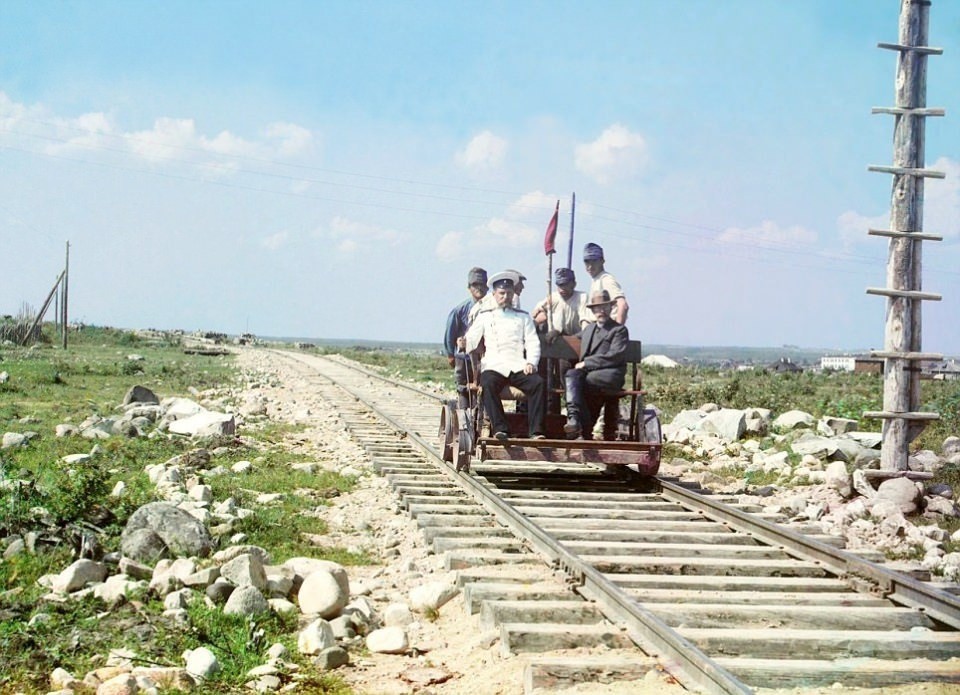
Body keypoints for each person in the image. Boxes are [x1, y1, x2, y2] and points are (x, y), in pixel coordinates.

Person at [459, 272, 545, 440]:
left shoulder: (523, 317)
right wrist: (463, 342)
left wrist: (531, 362)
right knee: (488, 384)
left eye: (508, 293)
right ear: (494, 295)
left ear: (513, 294)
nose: (505, 297)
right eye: (501, 293)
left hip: (518, 365)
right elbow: (471, 339)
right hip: (494, 365)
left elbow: (533, 342)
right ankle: (501, 429)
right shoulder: (486, 316)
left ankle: (536, 431)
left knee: (538, 384)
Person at [564, 290, 629, 440]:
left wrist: (587, 363)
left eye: (604, 307)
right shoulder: (589, 329)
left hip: (610, 374)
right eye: (597, 308)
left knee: (581, 382)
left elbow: (614, 356)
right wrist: (555, 334)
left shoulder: (619, 330)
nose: (601, 311)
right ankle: (574, 420)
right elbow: (571, 340)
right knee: (572, 375)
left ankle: (581, 426)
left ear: (611, 308)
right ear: (593, 311)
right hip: (589, 374)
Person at [443, 267, 488, 407]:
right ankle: (463, 423)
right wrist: (450, 354)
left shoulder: (493, 308)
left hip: (486, 359)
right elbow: (450, 334)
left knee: (484, 393)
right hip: (465, 359)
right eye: (475, 285)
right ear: (469, 287)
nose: (479, 288)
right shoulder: (459, 310)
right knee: (464, 392)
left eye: (482, 284)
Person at [531, 267, 588, 337]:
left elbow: (585, 321)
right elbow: (537, 309)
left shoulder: (582, 297)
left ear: (574, 284)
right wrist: (540, 313)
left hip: (577, 336)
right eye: (560, 285)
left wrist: (584, 335)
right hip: (556, 336)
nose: (562, 289)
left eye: (566, 284)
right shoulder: (553, 297)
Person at [582, 243, 629, 325]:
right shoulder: (596, 279)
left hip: (607, 327)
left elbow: (623, 305)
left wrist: (617, 330)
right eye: (587, 262)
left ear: (602, 261)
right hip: (596, 328)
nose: (590, 266)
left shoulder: (606, 279)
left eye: (594, 262)